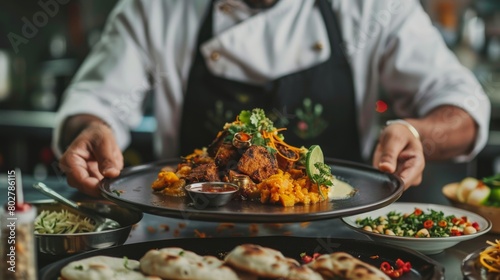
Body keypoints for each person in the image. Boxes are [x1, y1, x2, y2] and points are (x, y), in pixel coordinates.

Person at [53, 0, 491, 197]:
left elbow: (463, 105)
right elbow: (95, 104)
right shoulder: (154, 10)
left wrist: (415, 132)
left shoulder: (373, 7)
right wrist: (91, 128)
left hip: (340, 244)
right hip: (187, 239)